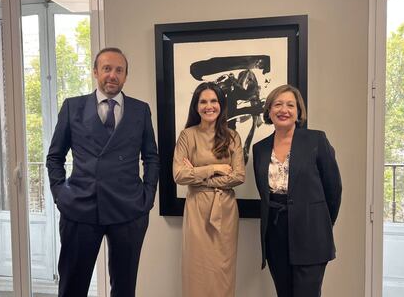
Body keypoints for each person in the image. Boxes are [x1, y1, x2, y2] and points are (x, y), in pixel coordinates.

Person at [46, 47, 159, 297]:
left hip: (128, 210)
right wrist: (60, 195)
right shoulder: (72, 107)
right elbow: (55, 156)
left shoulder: (140, 110)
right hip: (80, 208)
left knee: (124, 288)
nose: (112, 75)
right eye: (107, 68)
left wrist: (147, 196)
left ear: (126, 76)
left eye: (119, 70)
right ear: (95, 72)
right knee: (72, 287)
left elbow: (151, 157)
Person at [252, 84, 342, 297]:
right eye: (278, 104)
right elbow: (264, 194)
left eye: (290, 105)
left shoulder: (316, 140)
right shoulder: (260, 148)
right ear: (269, 111)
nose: (284, 110)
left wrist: (322, 223)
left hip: (311, 232)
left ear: (298, 111)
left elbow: (334, 189)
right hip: (275, 232)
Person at [173, 82, 245, 297]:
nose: (208, 106)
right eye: (203, 101)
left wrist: (198, 174)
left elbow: (238, 176)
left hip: (225, 209)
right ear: (196, 106)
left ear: (221, 105)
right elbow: (179, 175)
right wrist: (214, 168)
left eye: (213, 101)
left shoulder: (233, 137)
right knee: (196, 270)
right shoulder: (187, 135)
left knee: (223, 271)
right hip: (197, 209)